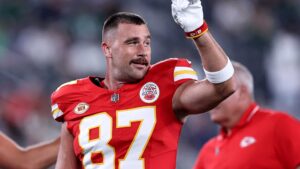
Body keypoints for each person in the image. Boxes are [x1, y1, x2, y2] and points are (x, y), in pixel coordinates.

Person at [51, 0, 237, 168]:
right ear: (107, 49)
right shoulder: (72, 97)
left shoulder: (165, 84)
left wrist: (198, 30)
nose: (143, 51)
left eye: (147, 43)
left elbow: (223, 86)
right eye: (132, 43)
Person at [193, 62, 300, 169]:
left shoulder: (279, 125)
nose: (211, 100)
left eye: (218, 92)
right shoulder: (207, 151)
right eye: (209, 94)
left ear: (242, 92)